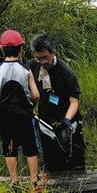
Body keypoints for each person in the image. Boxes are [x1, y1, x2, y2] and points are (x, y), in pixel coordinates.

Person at [0, 29, 40, 187]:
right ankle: (34, 180)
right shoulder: (26, 69)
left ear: (1, 48)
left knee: (9, 148)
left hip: (6, 116)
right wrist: (32, 107)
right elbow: (36, 94)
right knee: (30, 147)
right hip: (25, 115)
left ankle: (14, 181)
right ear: (21, 49)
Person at [29, 34, 85, 172]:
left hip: (67, 120)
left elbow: (74, 102)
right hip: (46, 122)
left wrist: (66, 121)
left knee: (74, 162)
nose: (41, 61)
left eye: (45, 57)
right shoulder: (32, 66)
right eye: (38, 58)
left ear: (53, 53)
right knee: (53, 163)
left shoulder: (66, 73)